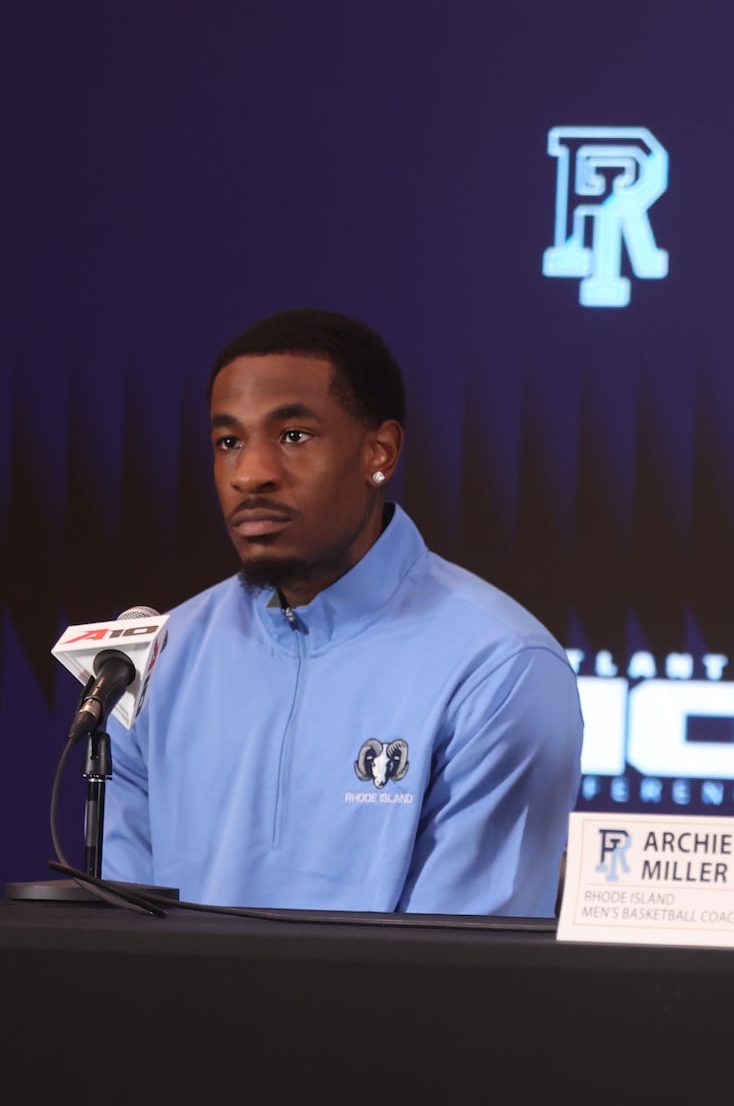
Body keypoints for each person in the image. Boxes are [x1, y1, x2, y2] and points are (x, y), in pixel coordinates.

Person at [103, 308, 583, 916]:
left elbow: (458, 977)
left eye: (293, 436)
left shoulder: (501, 668)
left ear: (378, 453)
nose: (251, 474)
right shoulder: (155, 658)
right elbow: (123, 937)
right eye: (228, 442)